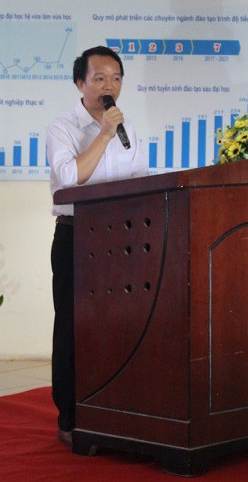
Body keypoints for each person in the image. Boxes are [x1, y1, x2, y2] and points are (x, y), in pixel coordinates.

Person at [46, 46, 148, 447]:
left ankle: (116, 409)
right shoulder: (62, 128)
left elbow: (140, 182)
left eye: (116, 78)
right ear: (80, 83)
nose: (110, 86)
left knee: (120, 325)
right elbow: (70, 179)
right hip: (77, 237)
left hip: (122, 238)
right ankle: (70, 418)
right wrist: (104, 134)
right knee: (73, 328)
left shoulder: (128, 128)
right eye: (100, 78)